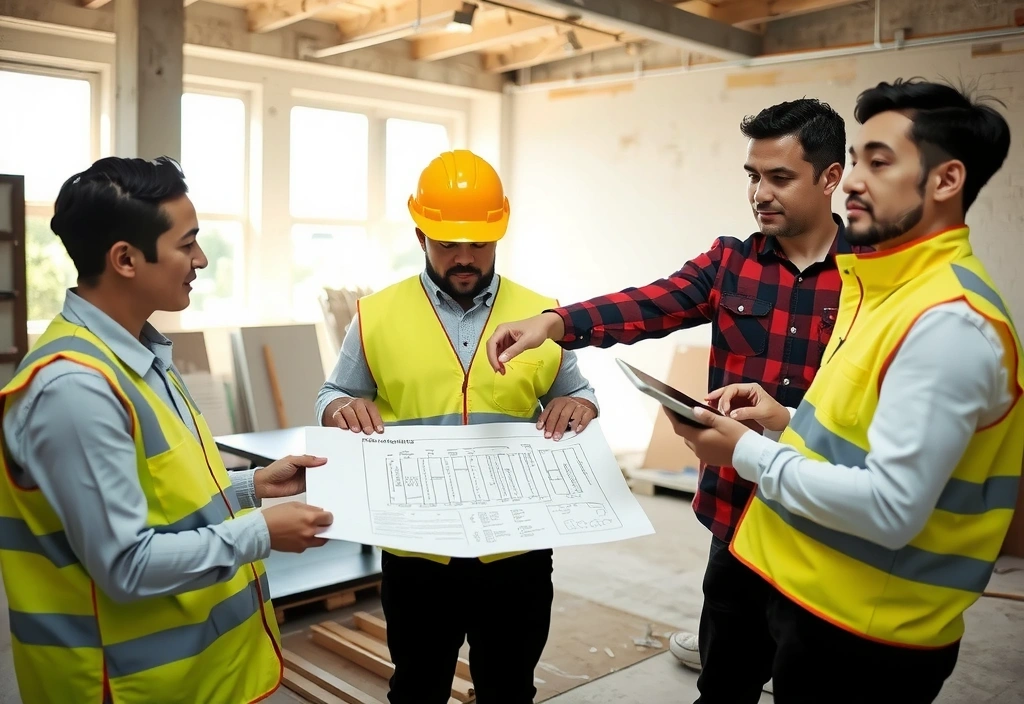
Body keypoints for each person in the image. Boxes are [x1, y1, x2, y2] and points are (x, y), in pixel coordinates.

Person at [666, 78, 1020, 704]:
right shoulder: (884, 291)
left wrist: (744, 454)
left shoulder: (947, 322)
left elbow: (891, 507)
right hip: (821, 595)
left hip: (871, 630)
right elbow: (860, 433)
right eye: (857, 159)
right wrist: (782, 421)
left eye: (878, 162)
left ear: (945, 181)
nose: (853, 179)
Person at [485, 99, 851, 702]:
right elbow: (650, 303)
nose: (761, 192)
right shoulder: (731, 262)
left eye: (780, 177)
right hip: (737, 522)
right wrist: (554, 322)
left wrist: (791, 421)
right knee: (725, 685)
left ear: (830, 177)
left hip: (826, 525)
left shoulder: (873, 273)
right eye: (753, 176)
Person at [0, 156, 335, 704]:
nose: (201, 259)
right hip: (126, 685)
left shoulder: (141, 356)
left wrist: (253, 487)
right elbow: (125, 565)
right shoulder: (75, 390)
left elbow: (161, 500)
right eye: (187, 244)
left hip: (195, 678)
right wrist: (262, 531)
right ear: (126, 259)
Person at [315, 149, 599, 704]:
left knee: (509, 686)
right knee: (418, 686)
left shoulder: (542, 313)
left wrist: (581, 407)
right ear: (420, 234)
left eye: (480, 243)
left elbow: (575, 392)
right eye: (449, 244)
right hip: (417, 548)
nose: (465, 257)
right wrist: (337, 409)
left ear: (500, 234)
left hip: (517, 545)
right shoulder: (376, 315)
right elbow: (336, 393)